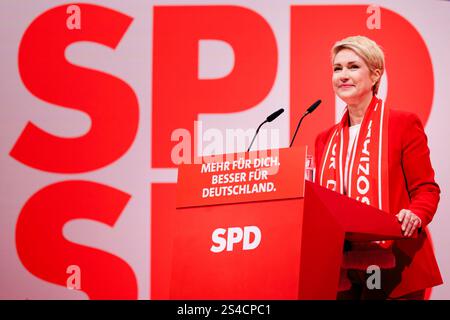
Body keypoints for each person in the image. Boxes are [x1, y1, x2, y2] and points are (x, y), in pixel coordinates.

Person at [314, 35, 442, 300]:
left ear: (375, 75)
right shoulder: (324, 140)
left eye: (352, 66)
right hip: (344, 271)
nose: (343, 75)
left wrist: (415, 214)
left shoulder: (402, 124)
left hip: (395, 262)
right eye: (337, 69)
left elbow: (426, 189)